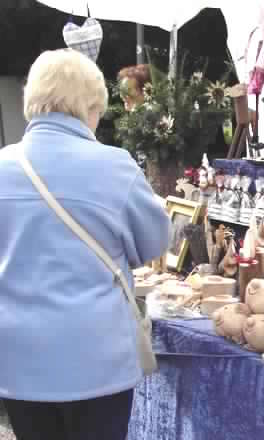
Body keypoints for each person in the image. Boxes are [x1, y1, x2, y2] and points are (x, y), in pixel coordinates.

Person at [0, 49, 170, 440]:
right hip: (98, 360)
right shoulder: (115, 165)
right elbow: (154, 243)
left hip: (19, 358)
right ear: (88, 106)